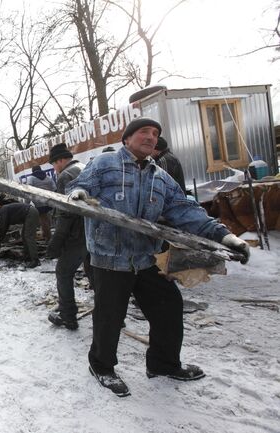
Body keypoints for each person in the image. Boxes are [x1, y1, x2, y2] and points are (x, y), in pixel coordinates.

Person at [66, 117, 250, 397]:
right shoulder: (104, 164)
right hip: (109, 258)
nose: (151, 137)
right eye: (144, 132)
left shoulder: (160, 177)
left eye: (155, 134)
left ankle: (163, 364)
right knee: (110, 317)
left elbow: (186, 211)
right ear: (127, 139)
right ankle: (102, 366)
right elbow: (81, 185)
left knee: (169, 308)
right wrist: (78, 194)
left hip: (146, 256)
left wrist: (226, 237)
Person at [45, 145, 86, 330]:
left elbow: (66, 212)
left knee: (63, 271)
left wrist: (57, 241)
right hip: (94, 232)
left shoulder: (65, 176)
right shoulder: (84, 168)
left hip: (77, 234)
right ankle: (114, 315)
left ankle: (68, 316)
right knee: (96, 274)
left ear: (60, 160)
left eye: (54, 164)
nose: (54, 168)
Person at [0, 202, 40, 268]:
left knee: (29, 237)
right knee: (24, 236)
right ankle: (28, 256)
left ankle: (35, 260)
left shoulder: (3, 211)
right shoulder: (4, 211)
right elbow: (4, 227)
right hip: (29, 213)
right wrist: (0, 239)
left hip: (30, 213)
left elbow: (4, 227)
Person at [27, 165, 56, 242]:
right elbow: (54, 188)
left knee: (43, 220)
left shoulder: (31, 178)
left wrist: (27, 202)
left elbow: (28, 190)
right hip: (48, 202)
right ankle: (46, 234)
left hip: (38, 202)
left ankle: (48, 238)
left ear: (33, 171)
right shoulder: (48, 178)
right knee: (47, 218)